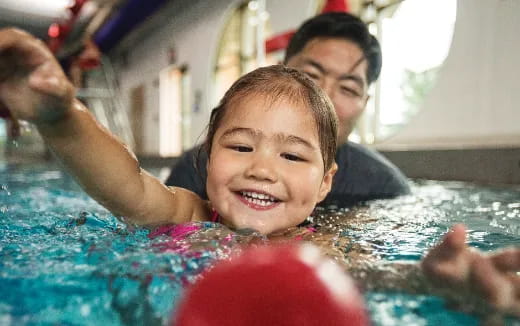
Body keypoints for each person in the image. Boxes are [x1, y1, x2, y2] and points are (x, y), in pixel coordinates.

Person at [0, 28, 518, 319]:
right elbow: (126, 186)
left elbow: (372, 280)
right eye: (241, 145)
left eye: (292, 157)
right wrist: (60, 116)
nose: (262, 168)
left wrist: (437, 283)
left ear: (325, 184)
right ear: (207, 158)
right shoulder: (189, 210)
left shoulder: (322, 247)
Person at [165, 12, 409, 206]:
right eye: (311, 75)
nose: (324, 97)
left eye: (347, 89)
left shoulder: (384, 188)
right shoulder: (196, 169)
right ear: (279, 72)